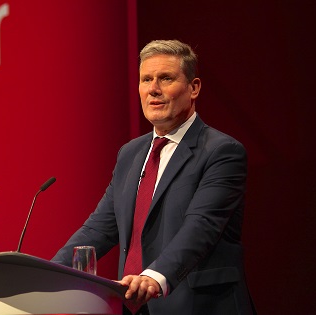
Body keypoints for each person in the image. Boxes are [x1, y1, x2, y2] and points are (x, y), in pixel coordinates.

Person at [52, 39, 256, 315]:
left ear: (194, 88)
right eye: (146, 79)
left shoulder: (221, 151)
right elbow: (99, 229)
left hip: (199, 306)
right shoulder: (130, 153)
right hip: (135, 306)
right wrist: (48, 272)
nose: (153, 90)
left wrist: (154, 277)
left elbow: (201, 227)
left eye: (165, 78)